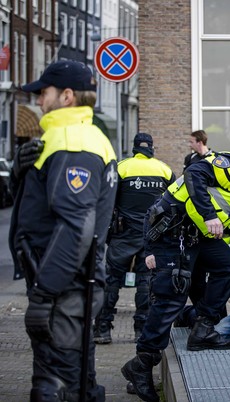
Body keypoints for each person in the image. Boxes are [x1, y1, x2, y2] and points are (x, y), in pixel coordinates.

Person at [121, 144, 230, 402]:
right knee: (171, 296)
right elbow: (194, 173)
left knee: (229, 266)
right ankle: (141, 365)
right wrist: (210, 215)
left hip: (194, 233)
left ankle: (202, 329)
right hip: (170, 227)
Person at [9, 60, 117, 401]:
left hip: (64, 287)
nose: (39, 101)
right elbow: (37, 207)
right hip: (63, 284)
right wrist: (18, 173)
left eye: (44, 93)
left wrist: (44, 293)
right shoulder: (69, 138)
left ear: (67, 96)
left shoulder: (73, 142)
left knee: (57, 384)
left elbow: (76, 227)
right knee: (74, 378)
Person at [94, 133, 175, 345]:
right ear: (152, 147)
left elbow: (105, 200)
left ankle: (102, 328)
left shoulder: (121, 168)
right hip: (151, 236)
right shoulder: (164, 170)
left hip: (123, 234)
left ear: (134, 148)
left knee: (111, 280)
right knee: (145, 282)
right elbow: (173, 206)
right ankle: (141, 330)